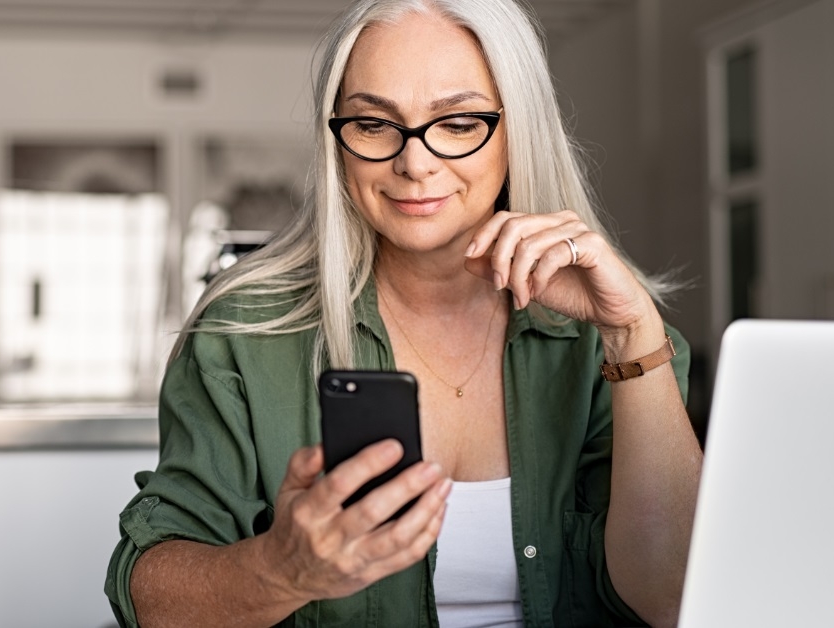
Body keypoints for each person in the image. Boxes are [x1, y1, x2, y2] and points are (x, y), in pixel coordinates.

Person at [105, 0, 703, 626]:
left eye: (458, 122)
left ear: (517, 128)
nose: (414, 163)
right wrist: (280, 570)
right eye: (372, 124)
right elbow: (149, 599)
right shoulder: (242, 335)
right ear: (336, 140)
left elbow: (671, 597)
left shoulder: (614, 340)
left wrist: (633, 333)